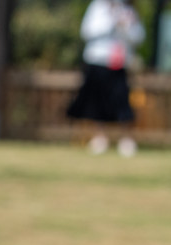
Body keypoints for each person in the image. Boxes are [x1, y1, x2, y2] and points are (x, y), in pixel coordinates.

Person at [66, 0, 145, 157]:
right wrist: (111, 22)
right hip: (97, 61)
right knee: (97, 101)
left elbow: (139, 36)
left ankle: (126, 140)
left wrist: (124, 26)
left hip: (118, 63)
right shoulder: (97, 6)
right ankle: (100, 138)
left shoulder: (127, 9)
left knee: (122, 100)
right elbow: (87, 31)